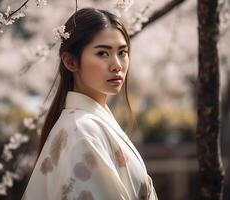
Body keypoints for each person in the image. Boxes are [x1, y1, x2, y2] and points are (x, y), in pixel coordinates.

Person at [22, 7, 158, 200]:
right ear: (70, 62)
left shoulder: (86, 124)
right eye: (102, 53)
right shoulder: (82, 130)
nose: (117, 65)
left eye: (122, 52)